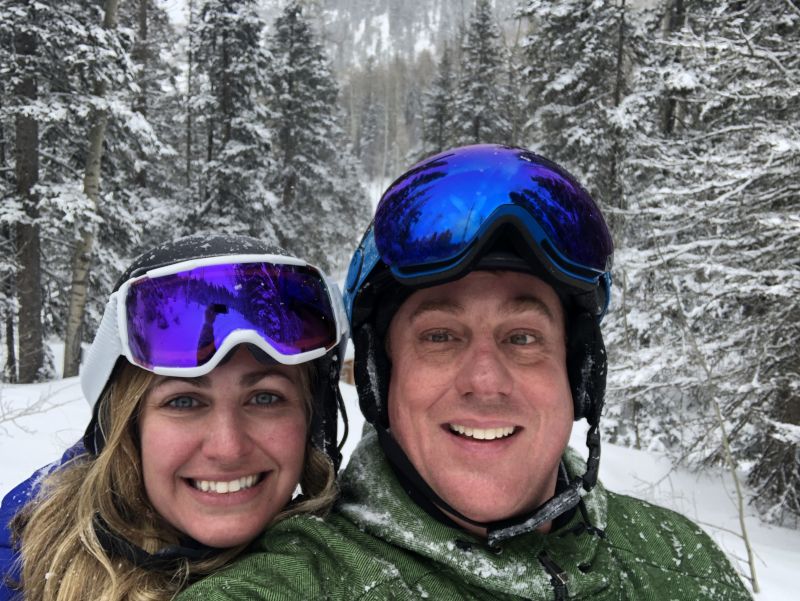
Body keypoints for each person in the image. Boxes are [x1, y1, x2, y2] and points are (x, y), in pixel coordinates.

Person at [178, 145, 753, 600]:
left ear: (577, 375)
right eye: (440, 337)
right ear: (380, 378)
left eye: (522, 338)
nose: (485, 380)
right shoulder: (297, 583)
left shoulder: (682, 561)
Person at [0, 233, 349, 601]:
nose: (228, 448)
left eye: (265, 398)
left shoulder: (355, 562)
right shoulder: (19, 571)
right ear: (125, 428)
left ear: (312, 423)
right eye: (184, 402)